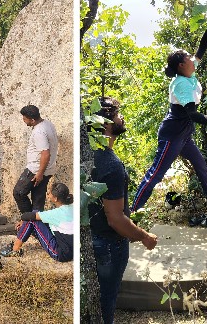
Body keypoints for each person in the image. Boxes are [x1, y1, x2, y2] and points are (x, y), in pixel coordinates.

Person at [131, 5, 207, 211]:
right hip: (173, 134)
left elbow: (202, 47)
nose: (193, 59)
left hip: (184, 134)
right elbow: (192, 113)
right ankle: (131, 211)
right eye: (188, 58)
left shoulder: (188, 72)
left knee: (200, 164)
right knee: (156, 173)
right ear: (180, 65)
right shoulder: (181, 84)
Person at [89, 97, 158, 324]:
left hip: (93, 239)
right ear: (106, 124)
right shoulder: (111, 165)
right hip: (109, 245)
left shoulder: (89, 155)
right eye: (118, 114)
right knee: (107, 300)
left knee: (98, 300)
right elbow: (115, 219)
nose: (122, 118)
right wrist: (145, 237)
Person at [0, 182, 73, 262]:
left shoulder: (56, 213)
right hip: (71, 250)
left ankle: (15, 249)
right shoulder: (72, 207)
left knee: (32, 219)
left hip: (61, 253)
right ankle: (18, 243)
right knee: (35, 217)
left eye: (49, 193)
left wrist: (23, 221)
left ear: (55, 199)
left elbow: (27, 216)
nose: (47, 193)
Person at [13, 105, 58, 214]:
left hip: (36, 170)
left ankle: (29, 220)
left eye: (25, 118)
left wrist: (39, 174)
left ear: (32, 120)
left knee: (19, 192)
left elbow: (45, 154)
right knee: (38, 200)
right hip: (47, 169)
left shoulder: (39, 132)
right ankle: (36, 227)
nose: (23, 120)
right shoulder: (47, 124)